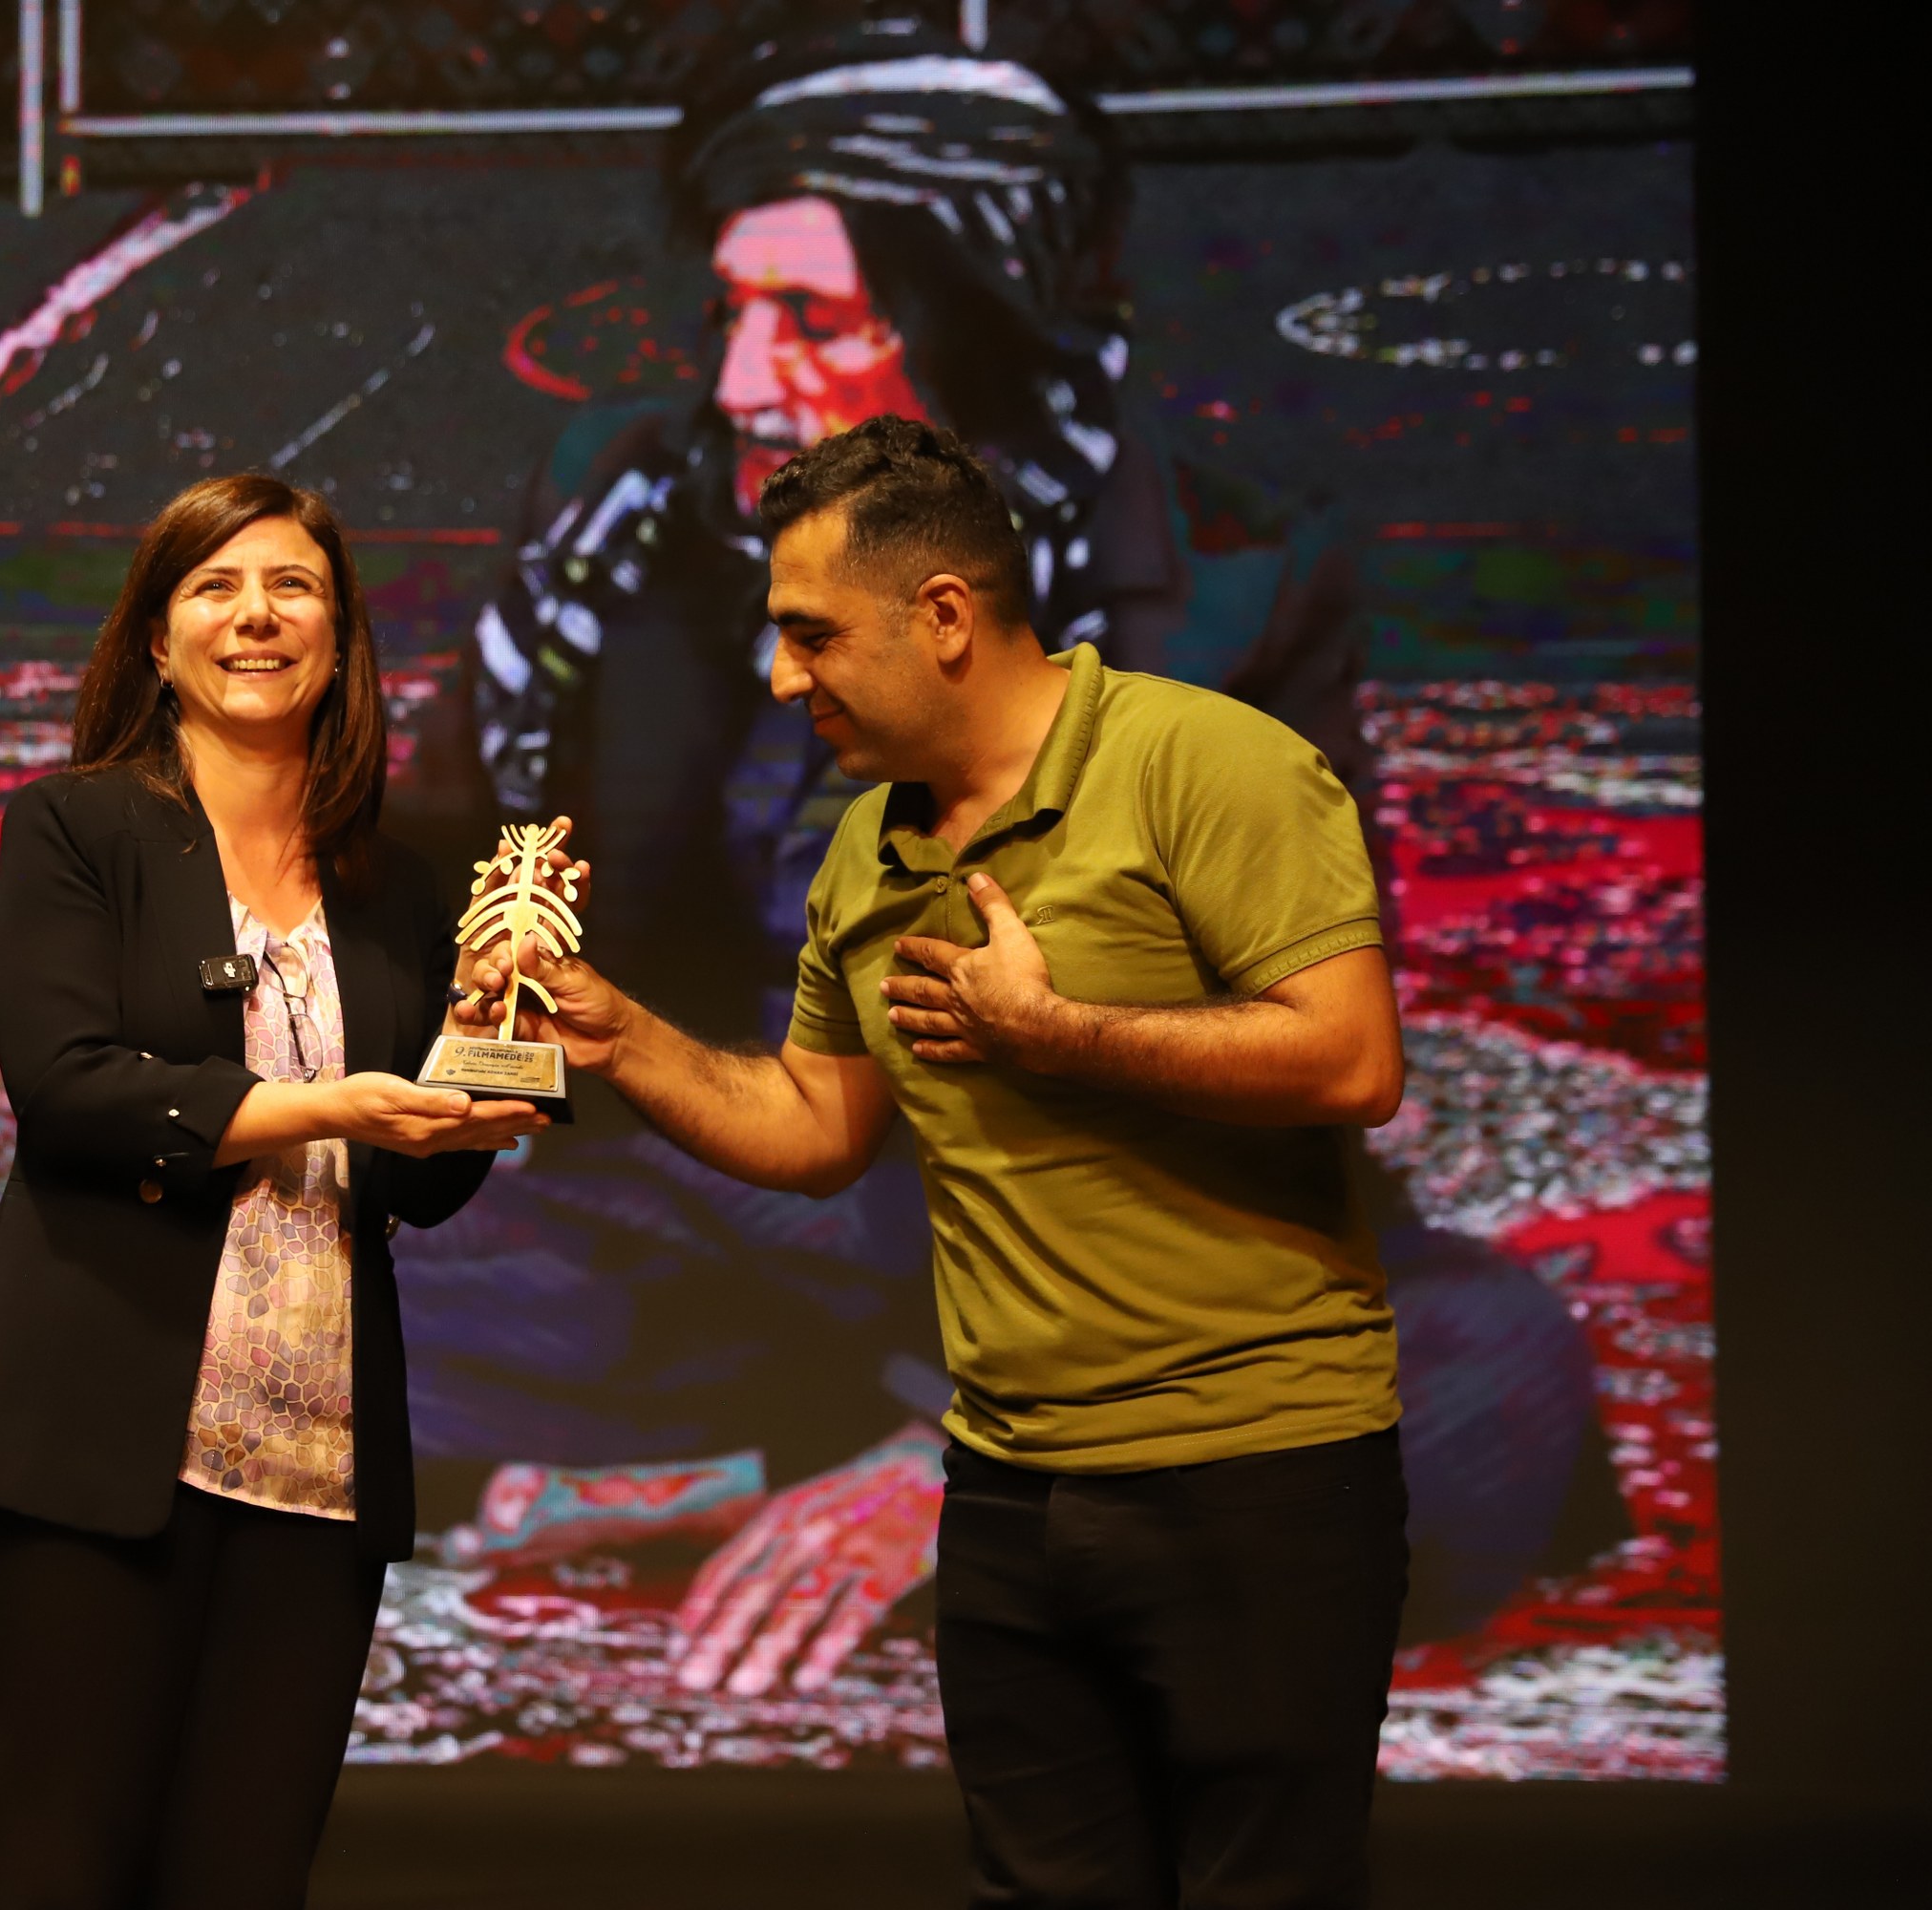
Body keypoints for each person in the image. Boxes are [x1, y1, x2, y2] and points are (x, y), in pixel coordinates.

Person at [402, 17, 1609, 1666]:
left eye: (814, 319)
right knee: (266, 1302)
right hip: (720, 1208)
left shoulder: (1230, 587)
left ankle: (848, 1478)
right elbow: (485, 863)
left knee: (1488, 1386)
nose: (743, 381)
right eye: (733, 311)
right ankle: (845, 1467)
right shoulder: (619, 517)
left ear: (976, 330)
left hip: (1099, 1237)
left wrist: (950, 1447)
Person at [486, 416, 1409, 1904]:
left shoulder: (1208, 761)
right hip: (1005, 1490)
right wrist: (622, 1037)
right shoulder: (868, 846)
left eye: (811, 635)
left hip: (1251, 1473)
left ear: (945, 616)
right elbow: (815, 1127)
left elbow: (1352, 1060)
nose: (781, 676)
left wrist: (1057, 1033)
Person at [0, 474, 544, 1907]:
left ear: (340, 635)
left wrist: (476, 1082)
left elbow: (415, 1192)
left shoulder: (399, 889)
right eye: (216, 587)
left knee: (246, 1878)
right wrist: (328, 1103)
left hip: (317, 1466)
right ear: (157, 637)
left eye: (292, 587)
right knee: (53, 1867)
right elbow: (68, 1089)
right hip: (97, 1452)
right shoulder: (78, 828)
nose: (256, 616)